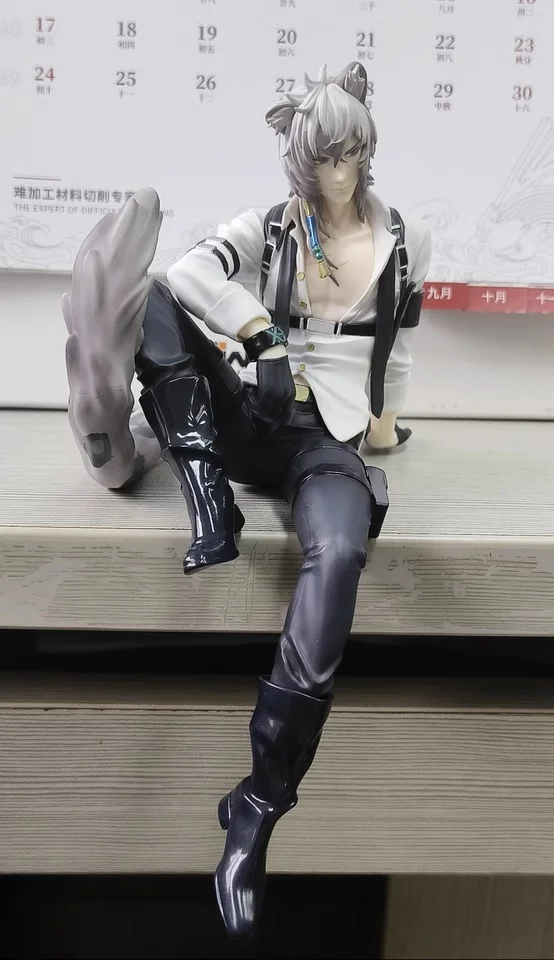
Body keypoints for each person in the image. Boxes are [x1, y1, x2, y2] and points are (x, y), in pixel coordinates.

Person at [63, 61, 431, 943]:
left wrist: (382, 424)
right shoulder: (269, 226)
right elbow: (189, 275)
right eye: (316, 158)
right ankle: (208, 498)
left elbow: (396, 346)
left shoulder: (402, 238)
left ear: (364, 151)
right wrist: (260, 335)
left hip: (326, 438)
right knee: (150, 299)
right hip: (250, 411)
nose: (331, 173)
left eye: (344, 156)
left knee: (340, 555)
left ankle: (258, 805)